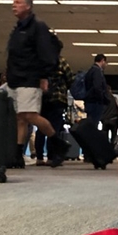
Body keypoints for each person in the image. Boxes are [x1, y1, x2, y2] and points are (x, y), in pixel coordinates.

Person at [6, 0, 69, 168]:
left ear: (28, 6)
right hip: (16, 78)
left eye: (18, 2)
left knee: (30, 115)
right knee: (21, 118)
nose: (14, 5)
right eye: (13, 2)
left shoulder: (38, 27)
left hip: (30, 77)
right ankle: (18, 155)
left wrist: (44, 76)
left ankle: (58, 142)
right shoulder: (18, 28)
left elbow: (46, 53)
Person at [34, 39, 75, 168]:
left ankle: (39, 157)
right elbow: (70, 79)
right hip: (58, 99)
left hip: (43, 99)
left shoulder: (41, 62)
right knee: (54, 129)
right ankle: (52, 157)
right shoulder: (62, 62)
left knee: (41, 127)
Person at [83, 53, 108, 123]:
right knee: (94, 123)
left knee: (90, 123)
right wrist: (101, 99)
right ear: (102, 60)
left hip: (89, 101)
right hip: (95, 102)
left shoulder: (90, 71)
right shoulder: (97, 71)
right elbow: (97, 87)